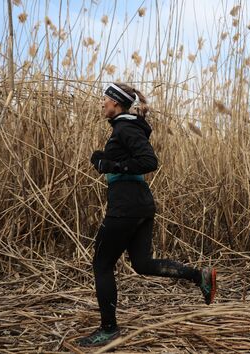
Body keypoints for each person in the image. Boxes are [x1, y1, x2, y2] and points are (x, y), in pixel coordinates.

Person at [78, 83, 217, 347]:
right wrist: (103, 160)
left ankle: (108, 329)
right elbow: (129, 159)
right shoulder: (128, 127)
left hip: (126, 207)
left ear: (117, 104)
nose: (102, 104)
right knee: (141, 263)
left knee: (102, 265)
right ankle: (199, 276)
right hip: (141, 205)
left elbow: (149, 161)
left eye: (105, 100)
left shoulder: (125, 127)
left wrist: (109, 163)